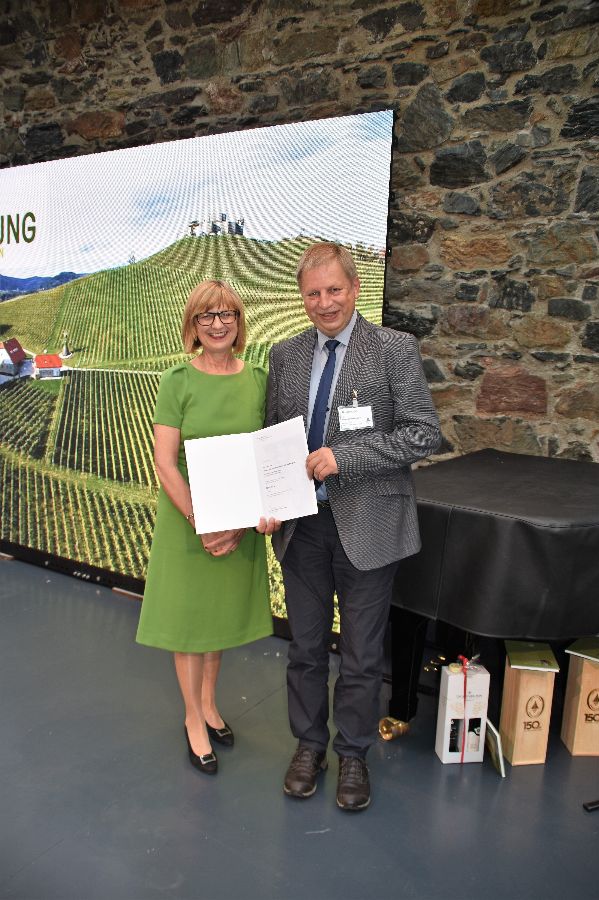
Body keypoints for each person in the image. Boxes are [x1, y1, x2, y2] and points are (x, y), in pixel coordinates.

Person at [266, 242, 441, 810]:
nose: (325, 303)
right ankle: (309, 746)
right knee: (306, 649)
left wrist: (346, 457)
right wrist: (268, 499)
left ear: (355, 287)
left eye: (334, 290)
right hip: (302, 528)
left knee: (363, 654)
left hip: (371, 526)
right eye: (313, 293)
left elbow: (423, 433)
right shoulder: (286, 355)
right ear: (302, 297)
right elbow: (273, 438)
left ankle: (354, 753)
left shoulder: (393, 349)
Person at [136, 280, 278, 776]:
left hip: (237, 525)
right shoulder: (177, 381)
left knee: (216, 622)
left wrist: (240, 521)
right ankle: (193, 719)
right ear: (193, 325)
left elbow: (265, 456)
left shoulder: (258, 380)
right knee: (189, 627)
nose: (218, 324)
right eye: (206, 316)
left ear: (239, 321)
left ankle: (211, 705)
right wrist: (204, 520)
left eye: (227, 314)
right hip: (188, 523)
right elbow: (165, 463)